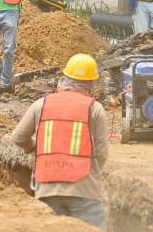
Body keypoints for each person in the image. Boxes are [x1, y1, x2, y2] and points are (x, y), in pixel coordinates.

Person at [11, 54, 108, 231]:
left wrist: (34, 148)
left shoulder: (41, 104)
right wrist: (91, 174)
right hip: (84, 191)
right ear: (91, 83)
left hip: (47, 188)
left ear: (65, 79)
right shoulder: (95, 109)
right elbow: (101, 153)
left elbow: (18, 137)